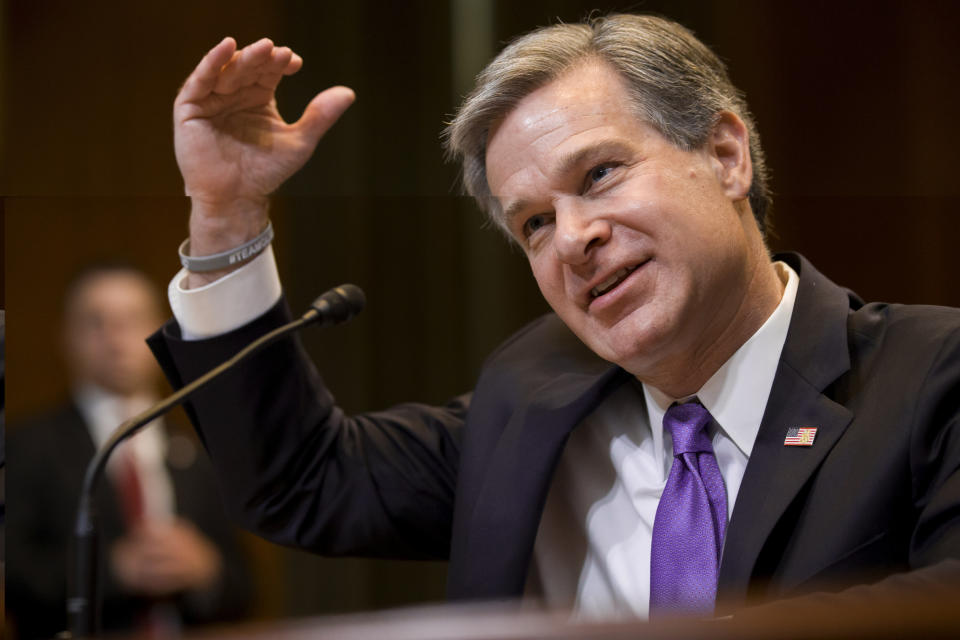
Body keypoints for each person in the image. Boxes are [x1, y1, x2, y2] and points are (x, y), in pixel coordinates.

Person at [147, 13, 960, 621]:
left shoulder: (928, 376)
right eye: (534, 222)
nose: (573, 238)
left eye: (601, 174)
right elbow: (304, 483)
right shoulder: (533, 398)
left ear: (725, 155)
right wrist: (226, 214)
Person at [7, 265, 253, 639]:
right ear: (66, 336)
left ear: (161, 332)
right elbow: (13, 577)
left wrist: (206, 571)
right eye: (96, 322)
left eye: (132, 319)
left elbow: (244, 585)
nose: (115, 337)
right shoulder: (27, 446)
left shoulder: (200, 449)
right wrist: (111, 571)